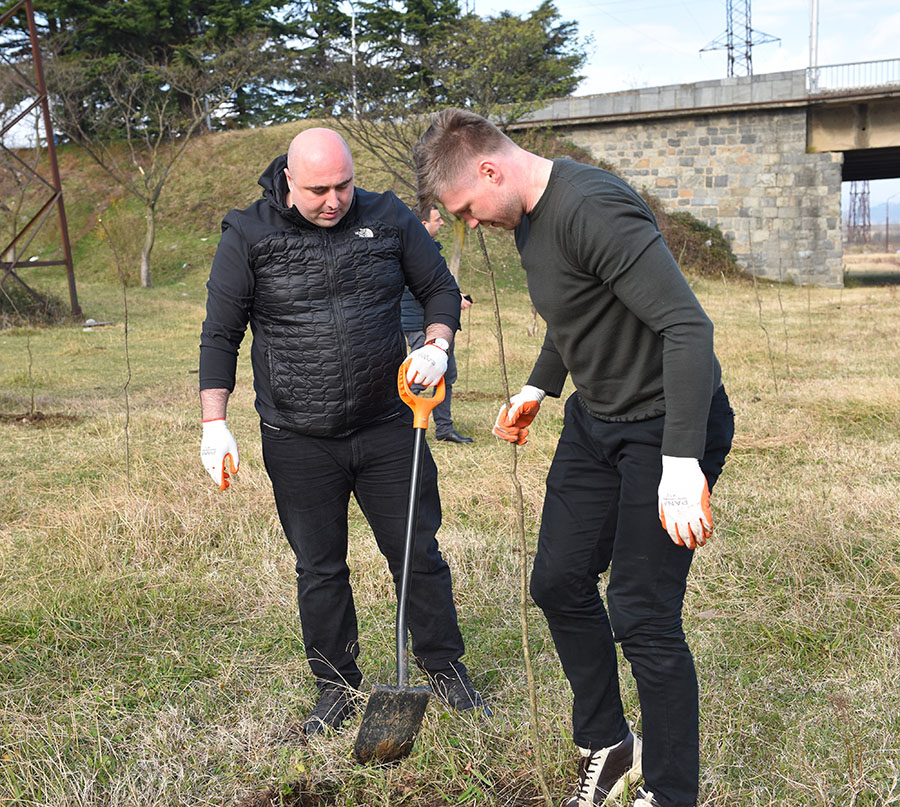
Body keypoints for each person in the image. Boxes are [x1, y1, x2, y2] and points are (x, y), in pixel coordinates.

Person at [414, 109, 734, 807]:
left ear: (490, 170)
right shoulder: (528, 219)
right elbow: (577, 311)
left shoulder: (592, 207)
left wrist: (682, 460)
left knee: (643, 615)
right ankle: (609, 742)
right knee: (557, 580)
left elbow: (687, 327)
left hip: (669, 422)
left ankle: (672, 793)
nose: (469, 223)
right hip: (597, 420)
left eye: (467, 207)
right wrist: (539, 382)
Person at [199, 127, 486, 736]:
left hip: (389, 423)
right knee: (320, 567)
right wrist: (214, 423)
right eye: (319, 190)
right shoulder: (249, 234)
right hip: (297, 436)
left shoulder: (387, 216)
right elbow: (221, 333)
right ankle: (335, 684)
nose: (334, 200)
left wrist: (437, 343)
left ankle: (445, 665)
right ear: (288, 181)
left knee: (417, 552)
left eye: (343, 185)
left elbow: (438, 287)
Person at [401, 202, 474, 444]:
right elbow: (418, 288)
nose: (442, 222)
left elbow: (435, 285)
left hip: (436, 325)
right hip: (420, 323)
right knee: (421, 376)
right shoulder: (411, 251)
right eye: (438, 219)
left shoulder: (429, 249)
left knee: (446, 374)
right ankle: (398, 424)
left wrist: (455, 296)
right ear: (424, 225)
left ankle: (444, 429)